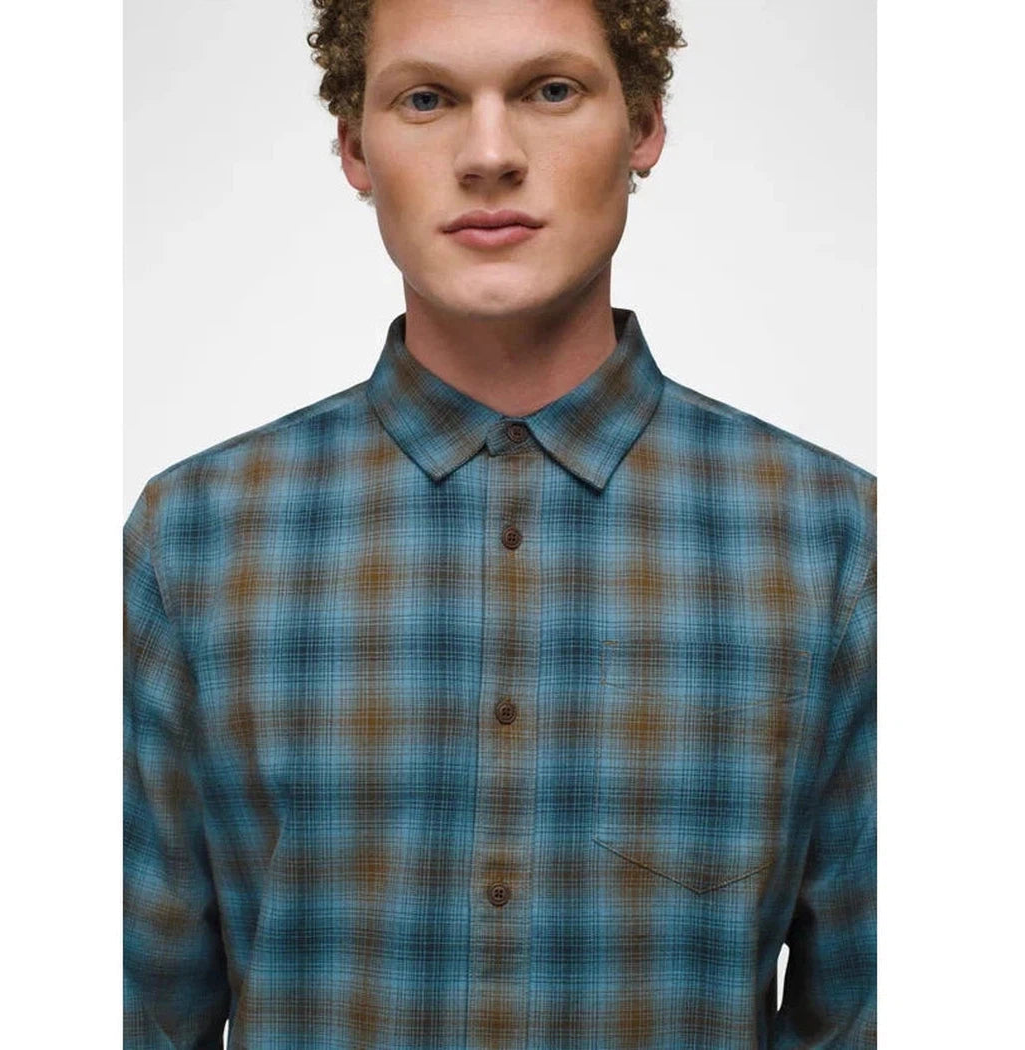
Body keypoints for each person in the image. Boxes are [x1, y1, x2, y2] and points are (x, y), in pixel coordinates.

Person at [123, 0, 876, 1046]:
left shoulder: (834, 544)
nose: (489, 155)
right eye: (427, 99)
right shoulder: (194, 540)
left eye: (550, 90)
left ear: (644, 123)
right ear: (355, 147)